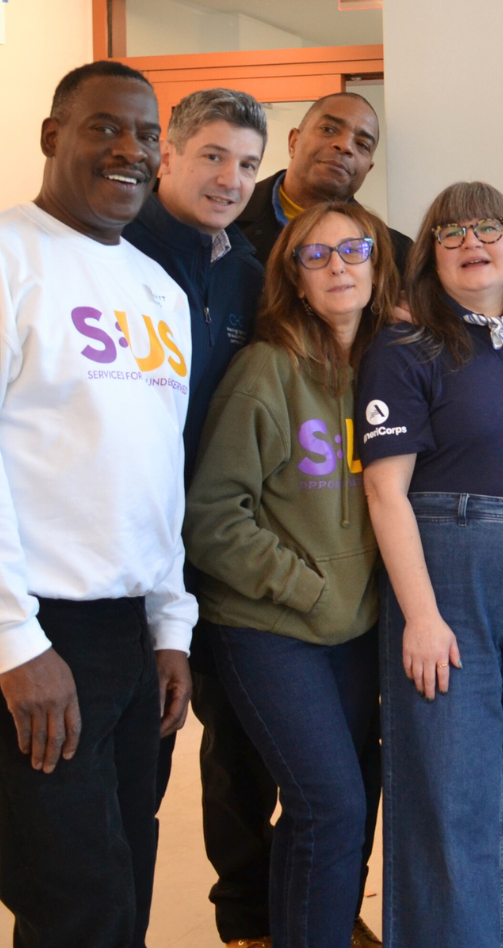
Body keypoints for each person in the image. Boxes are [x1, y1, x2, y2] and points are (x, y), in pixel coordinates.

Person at [0, 59, 195, 948]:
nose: (129, 150)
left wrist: (169, 624)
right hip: (19, 625)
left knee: (127, 866)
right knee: (71, 891)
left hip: (125, 626)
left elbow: (154, 474)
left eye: (146, 135)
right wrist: (16, 641)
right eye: (106, 126)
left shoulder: (156, 291)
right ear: (53, 135)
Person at [359, 182, 503, 948]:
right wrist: (420, 616)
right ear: (429, 257)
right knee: (452, 791)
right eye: (449, 234)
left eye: (488, 228)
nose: (470, 243)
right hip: (449, 568)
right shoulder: (404, 348)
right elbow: (385, 492)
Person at [185, 202, 399, 948]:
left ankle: (317, 926)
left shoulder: (391, 367)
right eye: (316, 256)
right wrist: (310, 587)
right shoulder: (266, 370)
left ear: (378, 263)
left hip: (356, 630)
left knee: (356, 799)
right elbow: (212, 517)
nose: (339, 265)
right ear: (294, 279)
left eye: (354, 249)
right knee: (329, 806)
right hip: (273, 628)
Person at [122, 86, 292, 948]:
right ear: (168, 158)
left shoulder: (247, 272)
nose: (231, 178)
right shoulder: (118, 253)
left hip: (217, 550)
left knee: (240, 746)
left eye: (248, 164)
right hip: (128, 557)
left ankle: (249, 922)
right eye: (214, 157)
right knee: (132, 769)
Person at [232, 91, 408, 267]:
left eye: (362, 145)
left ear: (367, 170)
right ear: (293, 142)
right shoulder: (223, 219)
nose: (345, 146)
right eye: (328, 129)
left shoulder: (396, 254)